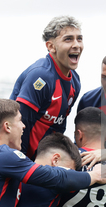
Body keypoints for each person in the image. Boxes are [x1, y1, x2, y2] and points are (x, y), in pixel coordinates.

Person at [10, 15, 83, 160]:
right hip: (20, 159)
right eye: (68, 39)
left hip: (44, 161)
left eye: (79, 38)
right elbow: (18, 127)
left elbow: (59, 127)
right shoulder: (40, 76)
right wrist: (23, 167)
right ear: (51, 47)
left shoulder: (75, 81)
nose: (76, 45)